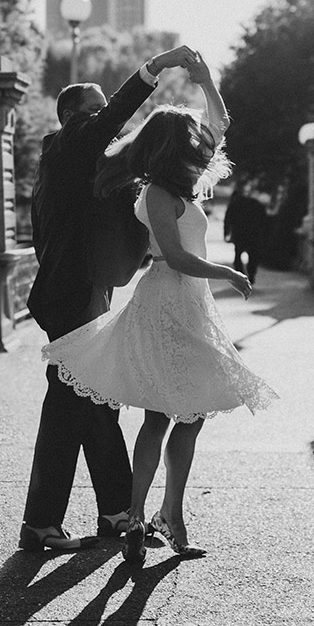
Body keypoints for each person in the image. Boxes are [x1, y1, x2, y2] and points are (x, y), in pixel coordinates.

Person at [42, 53, 279, 565]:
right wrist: (229, 273)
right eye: (190, 138)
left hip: (187, 305)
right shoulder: (154, 193)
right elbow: (174, 257)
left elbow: (218, 126)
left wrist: (209, 81)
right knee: (170, 415)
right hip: (170, 302)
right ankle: (140, 514)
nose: (200, 142)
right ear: (175, 146)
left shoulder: (181, 183)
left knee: (178, 415)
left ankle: (156, 513)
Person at [19, 44, 199, 553]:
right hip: (72, 295)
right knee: (70, 402)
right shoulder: (70, 144)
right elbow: (115, 114)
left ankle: (117, 512)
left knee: (97, 404)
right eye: (97, 112)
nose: (108, 120)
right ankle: (41, 523)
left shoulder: (76, 164)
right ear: (75, 118)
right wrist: (157, 68)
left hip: (79, 293)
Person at [223, 185, 267, 284]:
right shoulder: (255, 203)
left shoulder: (234, 204)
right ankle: (251, 275)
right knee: (253, 256)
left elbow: (227, 220)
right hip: (254, 234)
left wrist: (226, 234)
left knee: (238, 255)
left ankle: (241, 276)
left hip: (239, 234)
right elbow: (264, 219)